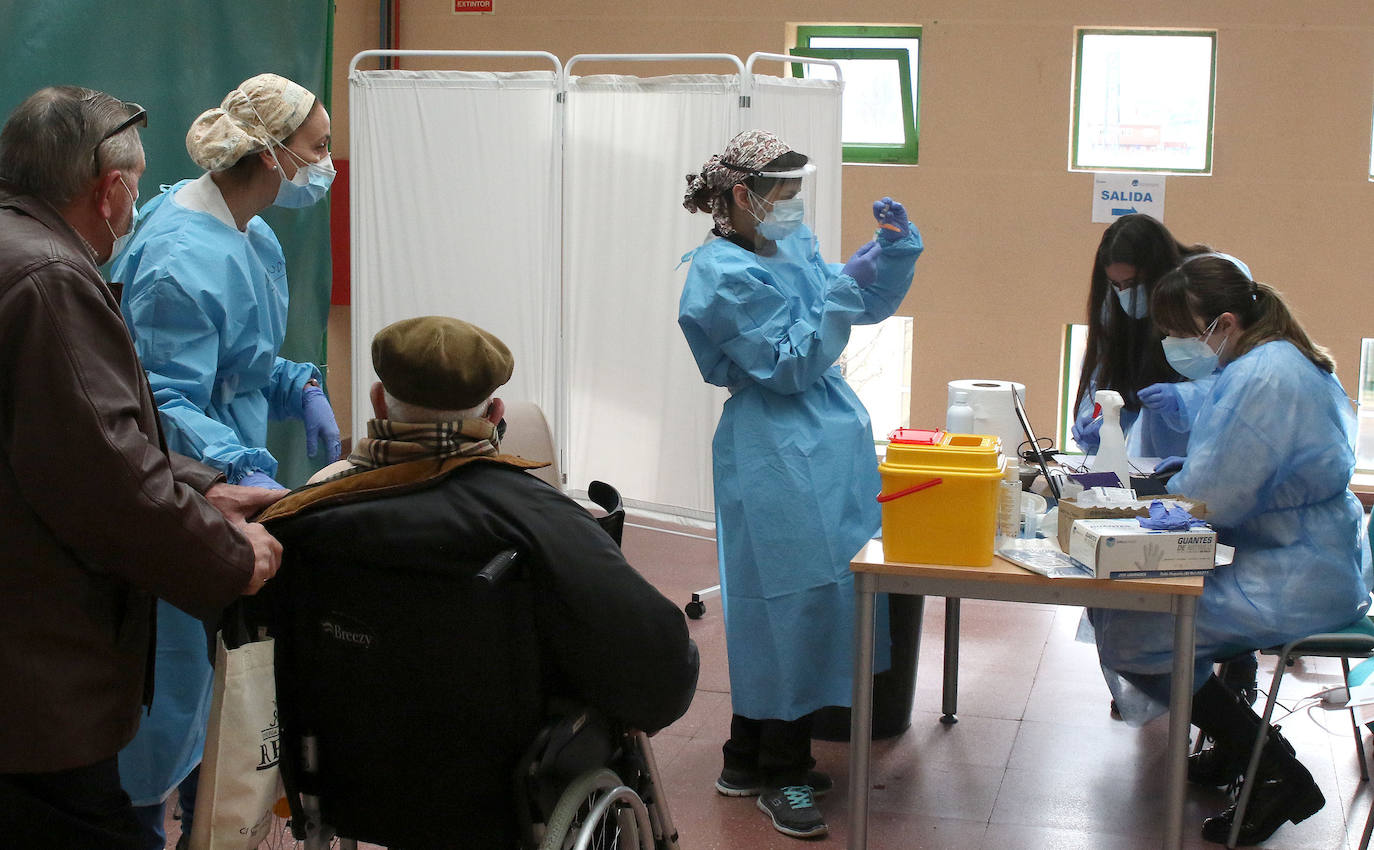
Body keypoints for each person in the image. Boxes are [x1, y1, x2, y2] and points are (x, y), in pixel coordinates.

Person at [256, 315, 700, 848]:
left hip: (347, 789)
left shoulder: (298, 521)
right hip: (507, 802)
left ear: (377, 402)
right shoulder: (542, 519)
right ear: (495, 414)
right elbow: (662, 668)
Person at [0, 86, 284, 850]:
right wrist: (230, 553)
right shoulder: (52, 280)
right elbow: (106, 476)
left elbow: (72, 431)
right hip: (36, 677)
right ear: (113, 188)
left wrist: (203, 486)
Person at [110, 72, 341, 848]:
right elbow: (164, 401)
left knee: (218, 671)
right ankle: (142, 817)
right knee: (175, 671)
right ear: (269, 155)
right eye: (318, 148)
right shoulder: (181, 254)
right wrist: (236, 463)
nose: (326, 164)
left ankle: (203, 815)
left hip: (227, 477)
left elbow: (238, 364)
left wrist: (295, 385)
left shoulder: (251, 232)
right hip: (185, 489)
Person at [677, 129, 922, 839]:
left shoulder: (790, 245)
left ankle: (746, 756)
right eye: (785, 197)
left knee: (809, 595)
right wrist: (841, 294)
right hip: (774, 444)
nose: (796, 210)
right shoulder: (719, 275)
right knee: (791, 604)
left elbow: (847, 310)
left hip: (823, 438)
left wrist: (889, 255)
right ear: (742, 197)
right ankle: (784, 769)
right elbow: (787, 363)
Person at [1087, 254, 1369, 845]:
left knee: (1140, 627)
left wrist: (1149, 505)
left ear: (1224, 322)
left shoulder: (1264, 375)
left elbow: (1218, 498)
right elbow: (1237, 471)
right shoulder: (1271, 359)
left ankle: (1274, 768)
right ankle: (1242, 746)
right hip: (1299, 553)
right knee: (1137, 610)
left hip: (1294, 572)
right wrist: (1180, 476)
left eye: (1179, 331)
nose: (1172, 342)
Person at [1071, 213, 1245, 459]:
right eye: (1116, 285)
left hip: (1218, 450)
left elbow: (1238, 385)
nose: (1124, 294)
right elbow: (1107, 376)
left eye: (1132, 283)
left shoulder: (1207, 283)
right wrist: (1102, 418)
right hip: (1158, 451)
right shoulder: (1115, 309)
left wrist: (1183, 398)